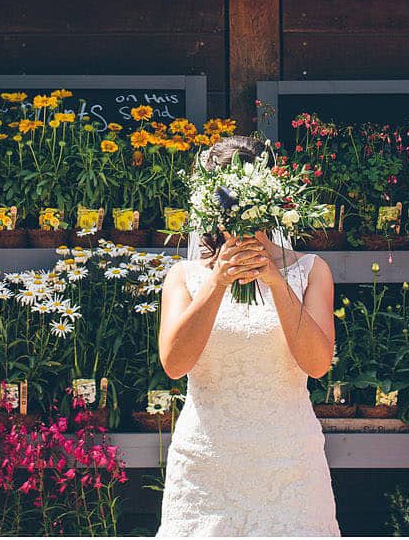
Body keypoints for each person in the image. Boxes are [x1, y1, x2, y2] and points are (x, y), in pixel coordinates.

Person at [155, 134, 339, 537]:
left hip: (289, 462)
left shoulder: (311, 271)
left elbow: (317, 363)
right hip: (207, 462)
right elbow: (174, 365)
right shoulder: (184, 277)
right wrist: (218, 282)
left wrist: (276, 282)